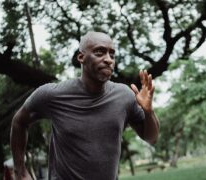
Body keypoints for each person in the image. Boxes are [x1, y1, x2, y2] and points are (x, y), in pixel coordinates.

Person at [10, 32, 160, 180]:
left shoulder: (124, 95)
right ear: (81, 57)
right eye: (100, 52)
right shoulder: (52, 95)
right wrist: (20, 171)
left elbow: (151, 138)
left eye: (112, 55)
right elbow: (19, 122)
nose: (108, 60)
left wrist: (149, 111)